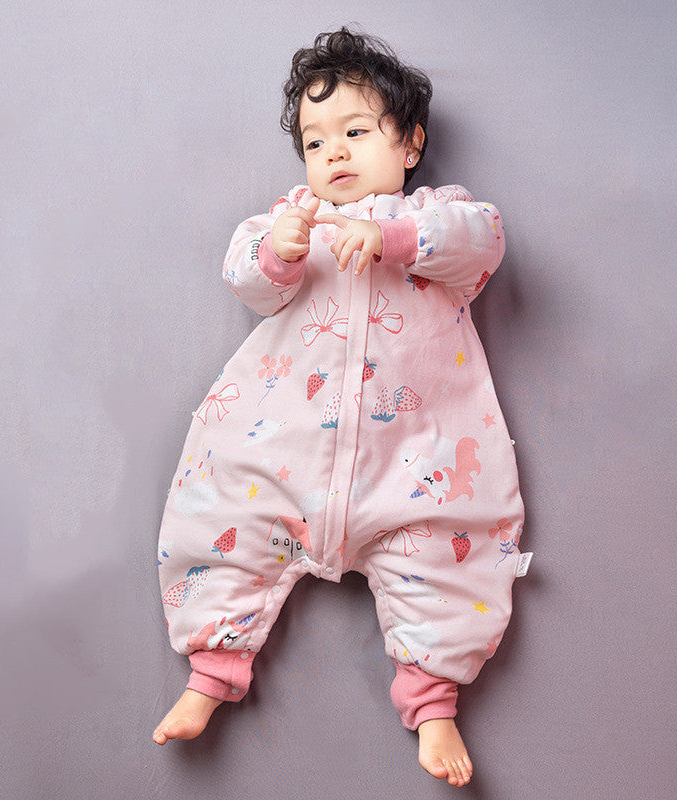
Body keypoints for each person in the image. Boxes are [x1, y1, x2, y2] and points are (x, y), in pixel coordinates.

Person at [152, 27, 525, 788]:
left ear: (410, 143)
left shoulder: (438, 216)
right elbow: (247, 280)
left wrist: (390, 237)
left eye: (355, 132)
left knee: (450, 554)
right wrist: (278, 251)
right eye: (315, 142)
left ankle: (433, 699)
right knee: (224, 519)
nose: (334, 153)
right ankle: (211, 671)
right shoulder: (295, 219)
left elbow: (481, 241)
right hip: (279, 451)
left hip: (417, 462)